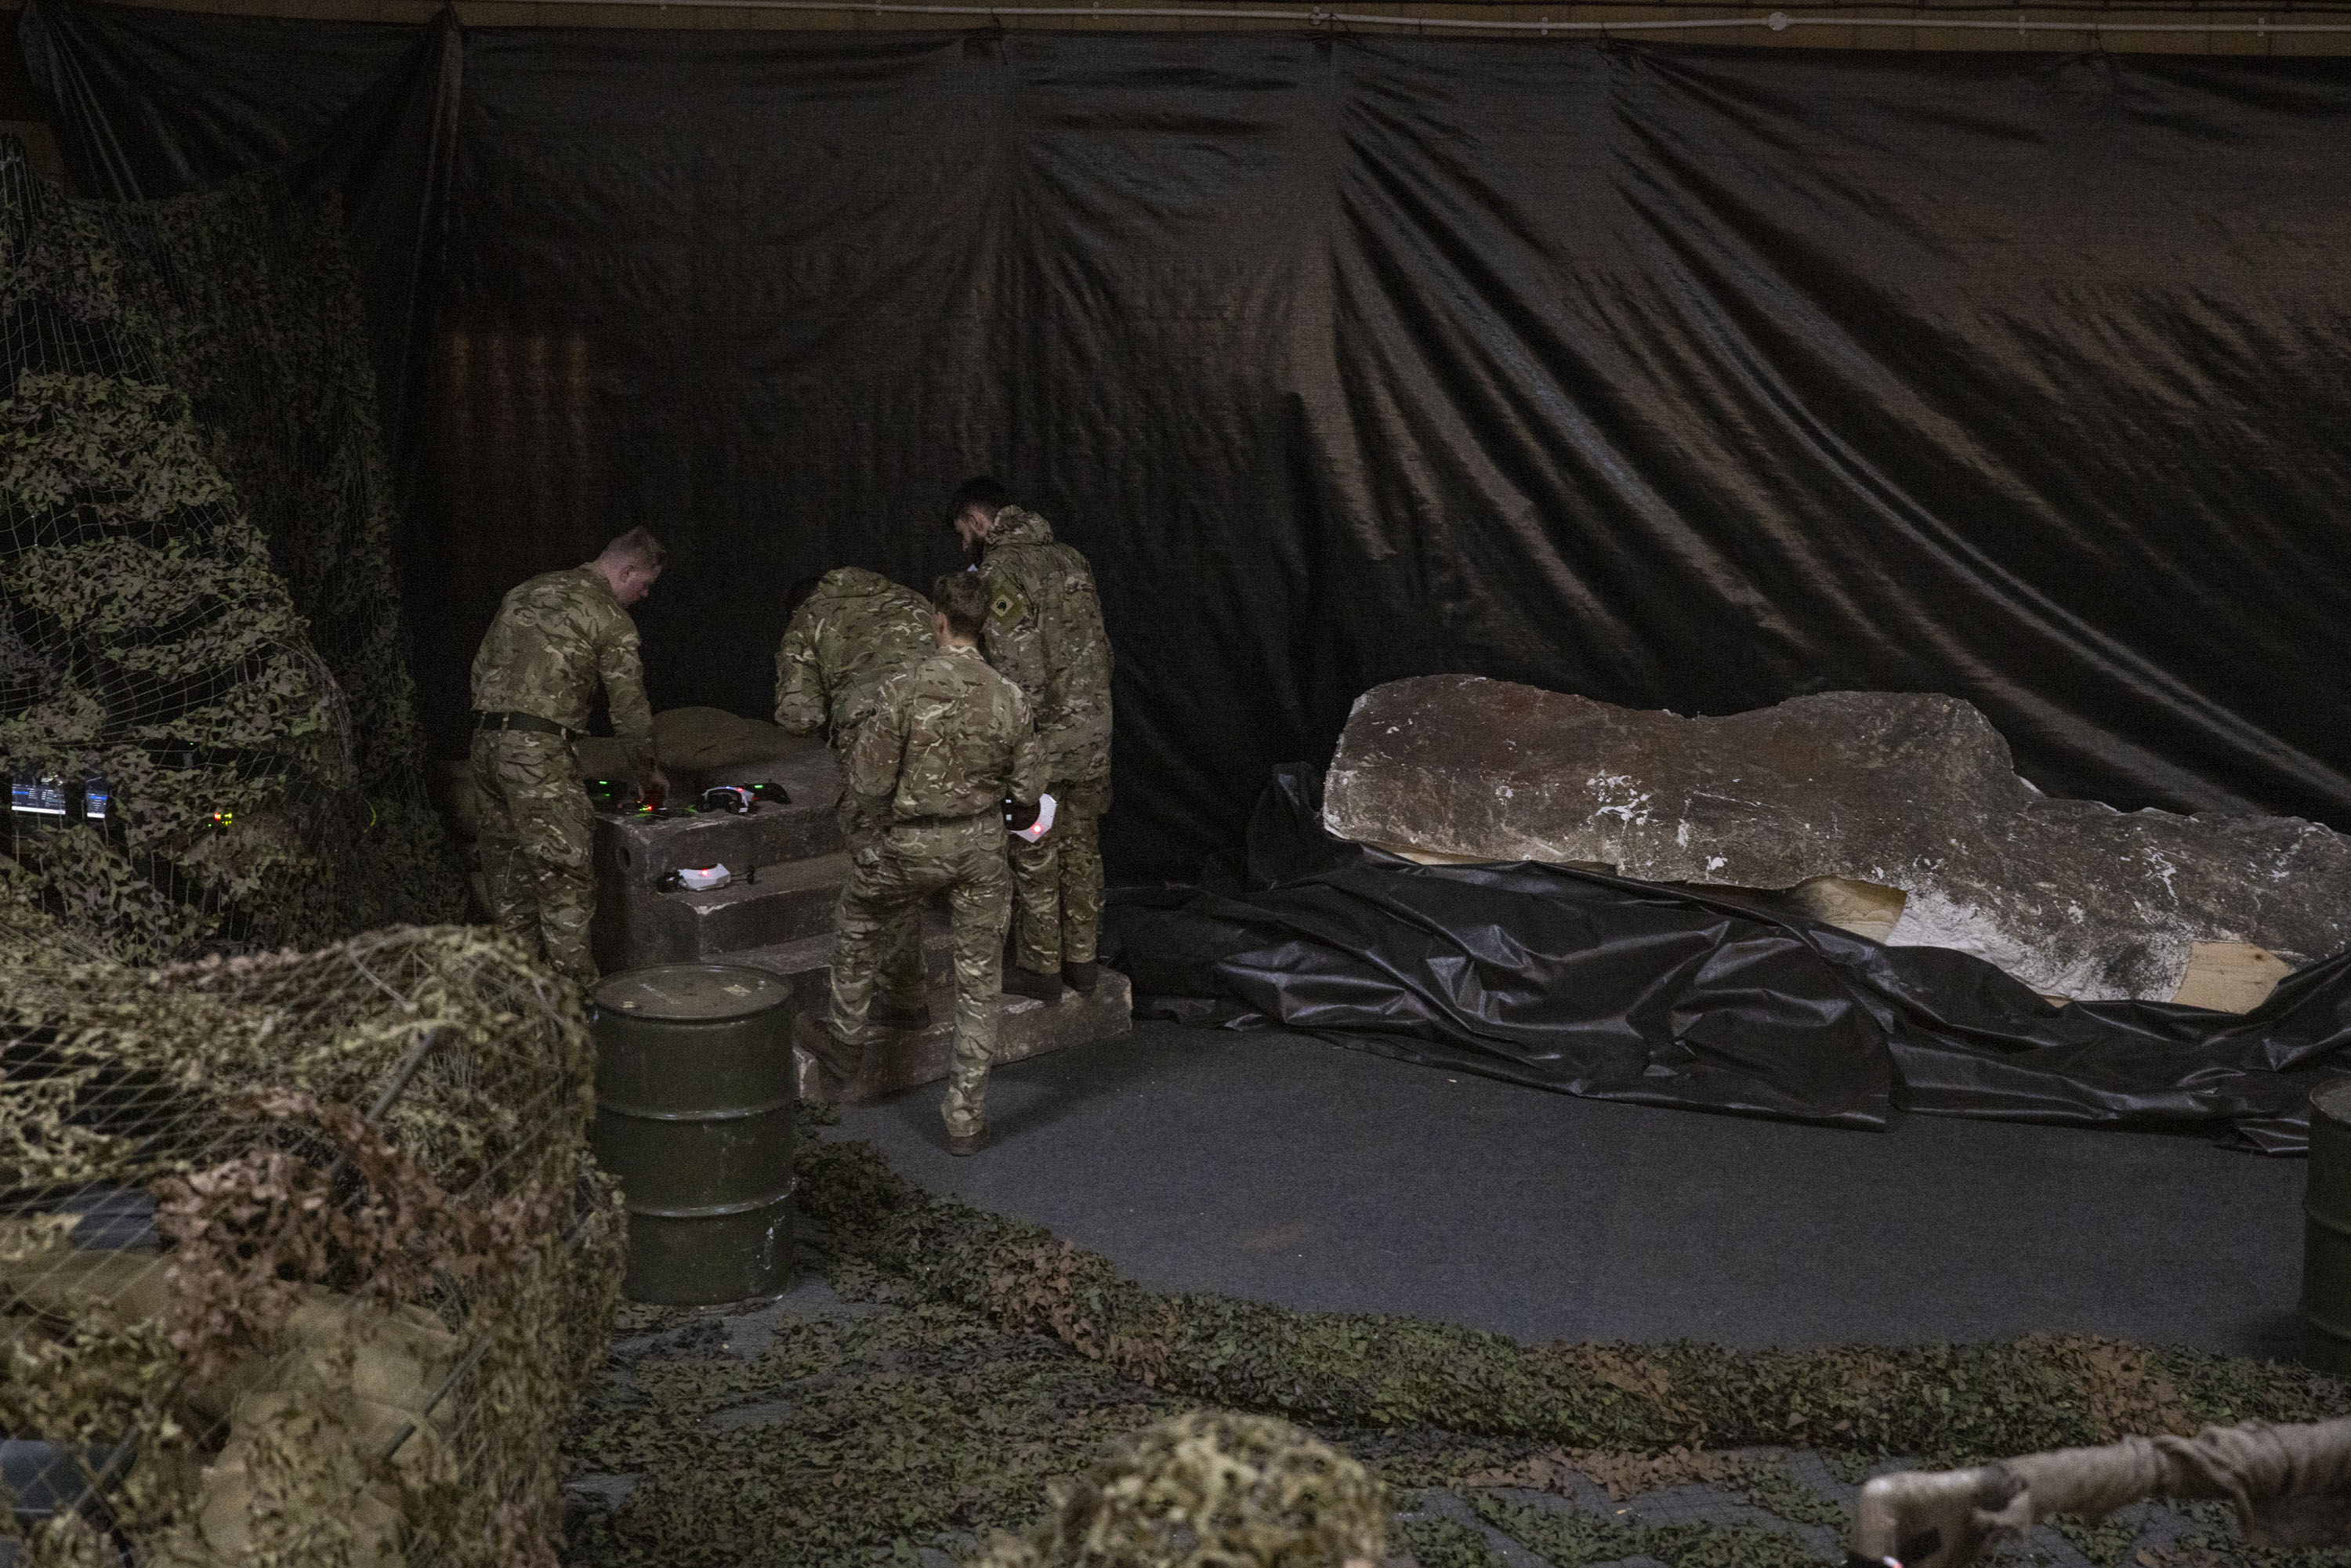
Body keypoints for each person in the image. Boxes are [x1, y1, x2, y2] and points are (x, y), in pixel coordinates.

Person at [793, 572, 1042, 1154]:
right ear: (982, 626)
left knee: (858, 922)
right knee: (980, 983)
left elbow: (868, 781)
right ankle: (965, 1119)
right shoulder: (1009, 696)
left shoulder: (903, 688)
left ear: (938, 620)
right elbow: (1029, 792)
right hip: (981, 848)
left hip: (909, 846)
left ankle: (846, 1046)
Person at [469, 527, 668, 990]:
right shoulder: (610, 618)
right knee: (566, 881)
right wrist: (646, 771)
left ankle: (518, 1009)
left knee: (510, 885)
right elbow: (630, 712)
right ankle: (576, 1012)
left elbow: (481, 669)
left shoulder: (524, 592)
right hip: (537, 753)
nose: (644, 595)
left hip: (484, 744)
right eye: (645, 584)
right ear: (627, 569)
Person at [947, 476, 1114, 1003]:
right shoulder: (1073, 560)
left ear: (978, 520)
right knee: (1083, 852)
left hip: (1044, 744)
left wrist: (1014, 745)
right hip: (1093, 733)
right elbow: (1102, 650)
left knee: (1035, 851)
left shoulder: (1000, 572)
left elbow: (1023, 674)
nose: (963, 544)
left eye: (962, 532)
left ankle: (1041, 968)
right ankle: (1082, 964)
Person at [773, 567, 937, 1029]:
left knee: (881, 873)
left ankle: (899, 1001)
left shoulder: (809, 619)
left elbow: (799, 714)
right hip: (952, 745)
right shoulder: (912, 598)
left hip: (877, 755)